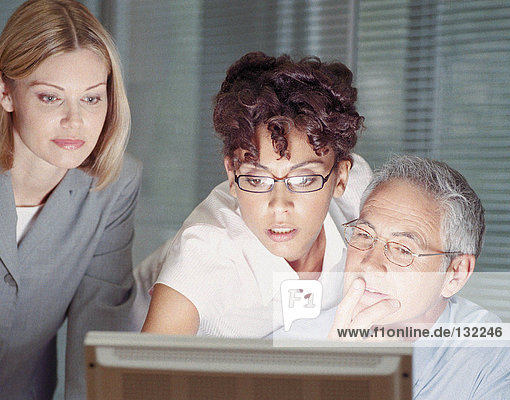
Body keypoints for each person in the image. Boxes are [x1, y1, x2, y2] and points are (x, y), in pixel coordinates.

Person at [0, 1, 141, 399]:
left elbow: (97, 335)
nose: (75, 121)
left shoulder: (115, 185)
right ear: (5, 92)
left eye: (91, 99)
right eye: (51, 98)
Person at [135, 51, 372, 336]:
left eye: (304, 179)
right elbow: (145, 377)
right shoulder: (206, 251)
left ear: (340, 178)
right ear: (232, 175)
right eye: (258, 179)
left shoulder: (360, 197)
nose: (279, 206)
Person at [278, 155, 510, 399]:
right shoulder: (291, 343)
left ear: (455, 274)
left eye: (403, 250)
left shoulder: (492, 354)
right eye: (364, 234)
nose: (369, 265)